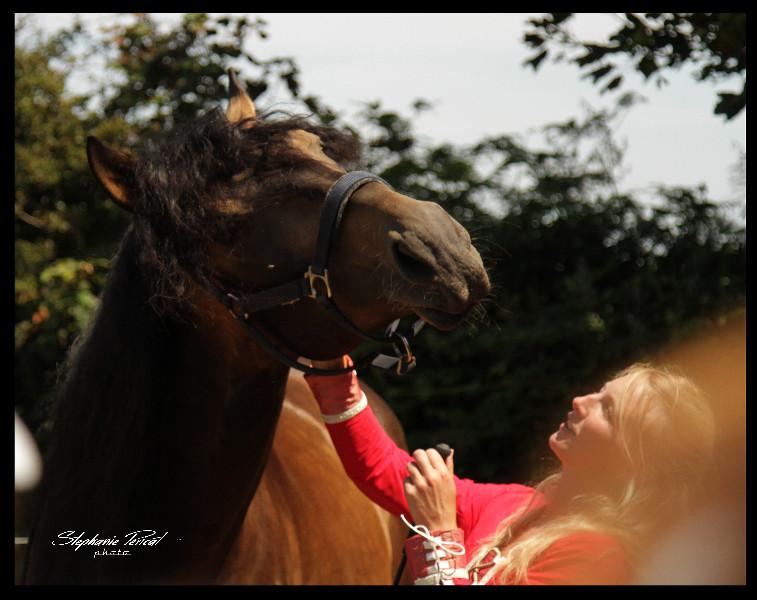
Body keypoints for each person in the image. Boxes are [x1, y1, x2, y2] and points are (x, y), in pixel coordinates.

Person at [304, 356, 715, 585]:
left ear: (632, 462)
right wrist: (333, 375)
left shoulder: (600, 559)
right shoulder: (518, 504)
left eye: (607, 410)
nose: (580, 400)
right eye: (599, 393)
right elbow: (382, 468)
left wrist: (440, 531)